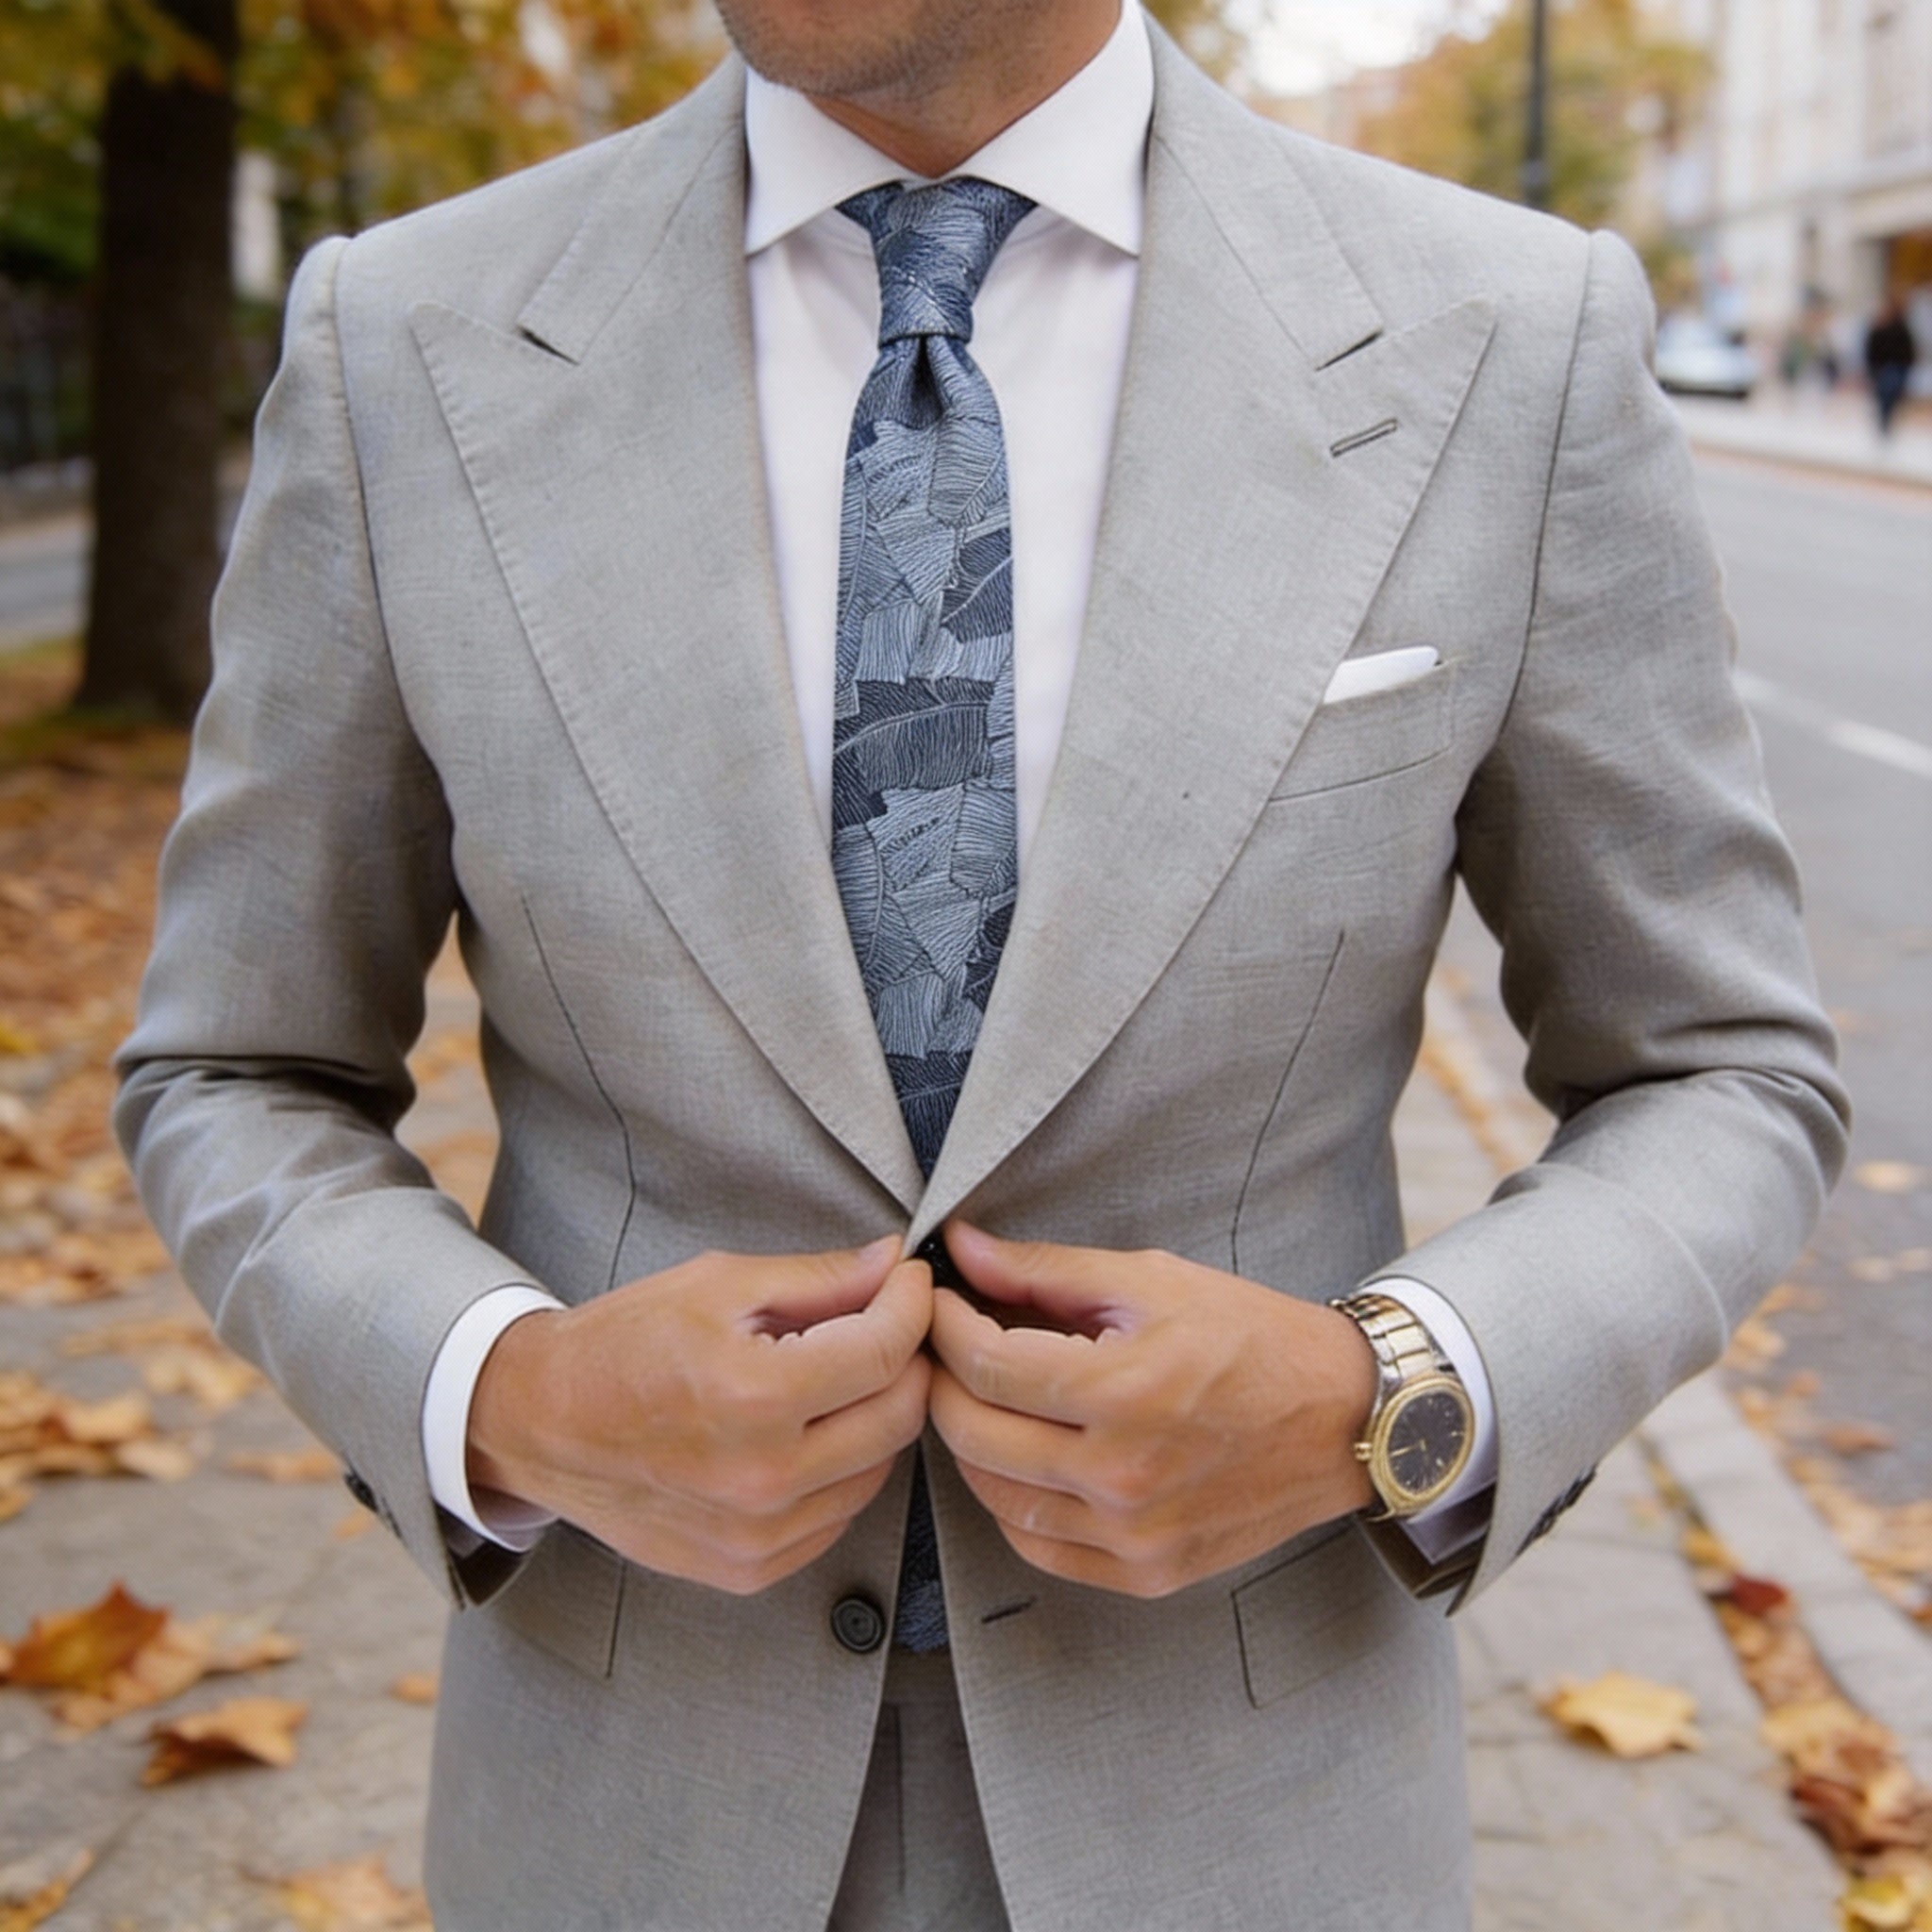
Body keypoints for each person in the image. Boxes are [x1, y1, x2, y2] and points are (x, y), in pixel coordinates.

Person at [115, 2, 1847, 1926]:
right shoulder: (404, 342)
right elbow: (235, 1065)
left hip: (1248, 1808)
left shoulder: (1507, 338)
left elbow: (1717, 1067)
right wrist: (503, 1394)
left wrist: (1385, 1394)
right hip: (626, 1810)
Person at [1866, 295, 1919, 436]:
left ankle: (1886, 424)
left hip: (1895, 368)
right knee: (1885, 397)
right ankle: (1884, 424)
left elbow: (1908, 351)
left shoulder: (1901, 329)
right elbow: (1872, 351)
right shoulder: (1879, 329)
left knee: (1890, 397)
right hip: (1884, 369)